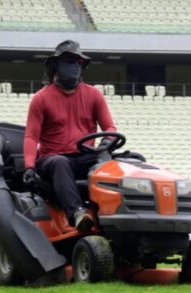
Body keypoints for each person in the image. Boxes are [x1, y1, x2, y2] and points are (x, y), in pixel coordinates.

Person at [22, 40, 117, 233]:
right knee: (59, 163)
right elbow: (31, 137)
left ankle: (117, 214)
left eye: (77, 62)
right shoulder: (41, 98)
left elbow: (109, 127)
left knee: (129, 160)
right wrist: (30, 166)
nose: (74, 65)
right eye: (68, 60)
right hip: (52, 159)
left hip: (85, 155)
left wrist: (108, 141)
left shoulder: (94, 95)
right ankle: (77, 213)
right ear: (55, 64)